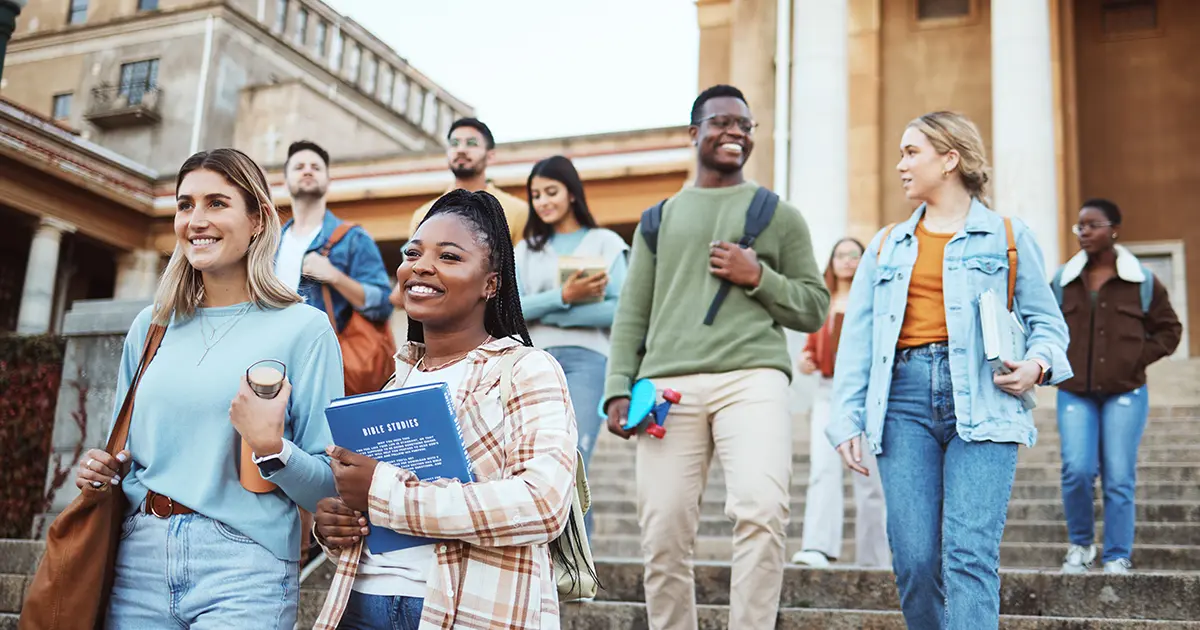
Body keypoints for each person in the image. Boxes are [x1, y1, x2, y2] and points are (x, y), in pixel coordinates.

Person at [74, 148, 342, 629]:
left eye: (217, 203)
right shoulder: (151, 326)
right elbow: (126, 454)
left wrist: (271, 447)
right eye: (185, 205)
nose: (196, 220)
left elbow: (328, 485)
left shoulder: (306, 329)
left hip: (245, 566)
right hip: (139, 560)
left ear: (258, 219)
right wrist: (102, 471)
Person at [827, 111, 1072, 629]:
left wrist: (1036, 364)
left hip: (984, 398)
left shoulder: (1007, 235)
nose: (900, 165)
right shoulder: (886, 244)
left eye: (911, 152)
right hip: (903, 402)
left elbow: (1047, 323)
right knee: (915, 560)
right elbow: (858, 344)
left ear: (950, 159)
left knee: (968, 556)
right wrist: (846, 417)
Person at [603, 84, 830, 630]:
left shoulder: (778, 215)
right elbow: (633, 310)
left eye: (745, 126)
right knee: (662, 532)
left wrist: (759, 276)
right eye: (722, 122)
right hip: (666, 389)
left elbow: (814, 306)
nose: (735, 133)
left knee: (760, 510)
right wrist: (617, 387)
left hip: (752, 378)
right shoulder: (657, 218)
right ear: (694, 133)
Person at [311, 190, 583, 630]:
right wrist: (337, 526)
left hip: (465, 610)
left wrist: (384, 493)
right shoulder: (393, 382)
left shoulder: (527, 370)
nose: (420, 265)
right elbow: (375, 509)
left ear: (490, 283)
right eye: (412, 253)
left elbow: (542, 503)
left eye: (450, 256)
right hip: (361, 603)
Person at [1052, 198, 1182, 575]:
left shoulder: (1142, 281)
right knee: (1076, 469)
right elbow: (1041, 322)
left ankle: (1116, 554)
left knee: (1119, 474)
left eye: (1092, 225)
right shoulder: (1062, 280)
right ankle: (1080, 546)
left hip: (1126, 391)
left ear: (1114, 229)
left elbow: (1170, 330)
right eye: (1080, 226)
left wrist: (1137, 357)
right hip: (1075, 391)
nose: (1084, 232)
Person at [513, 155, 628, 537]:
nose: (543, 201)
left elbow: (621, 310)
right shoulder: (526, 249)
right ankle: (545, 562)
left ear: (572, 193)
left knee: (574, 458)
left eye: (551, 192)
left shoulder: (605, 242)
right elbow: (510, 308)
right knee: (535, 462)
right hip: (533, 363)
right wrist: (563, 295)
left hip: (589, 362)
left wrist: (556, 314)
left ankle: (580, 565)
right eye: (535, 195)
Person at [791, 237, 890, 570]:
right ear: (830, 262)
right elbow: (811, 347)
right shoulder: (823, 302)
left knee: (869, 478)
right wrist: (806, 358)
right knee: (823, 468)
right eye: (840, 255)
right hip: (826, 391)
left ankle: (875, 558)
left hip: (865, 394)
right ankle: (818, 547)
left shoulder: (875, 300)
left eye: (854, 255)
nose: (847, 260)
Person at [277, 140, 393, 337]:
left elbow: (383, 304)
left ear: (328, 181)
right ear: (285, 182)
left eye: (316, 167)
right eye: (299, 167)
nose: (307, 171)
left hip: (324, 355)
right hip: (273, 354)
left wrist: (335, 277)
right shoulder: (270, 244)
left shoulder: (353, 238)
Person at [407, 118, 528, 244]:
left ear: (490, 156)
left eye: (471, 143)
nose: (461, 150)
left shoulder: (517, 211)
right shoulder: (424, 214)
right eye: (454, 143)